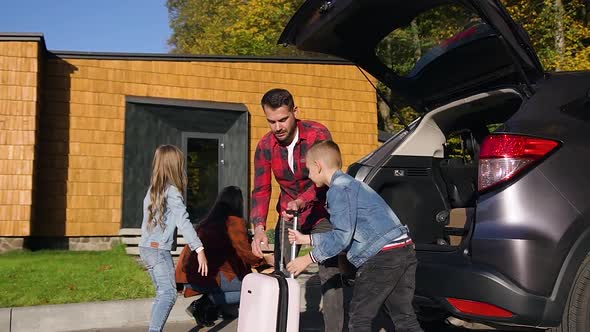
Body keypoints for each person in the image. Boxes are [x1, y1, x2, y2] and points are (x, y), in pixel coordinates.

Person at [287, 140, 423, 332]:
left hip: (382, 258)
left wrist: (308, 258)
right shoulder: (353, 185)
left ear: (318, 166)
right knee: (403, 316)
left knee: (359, 318)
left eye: (309, 170)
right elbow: (350, 231)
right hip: (403, 250)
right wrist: (307, 239)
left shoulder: (338, 190)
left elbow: (342, 236)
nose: (309, 176)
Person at [250, 88, 345, 331]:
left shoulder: (318, 134)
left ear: (295, 112)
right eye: (271, 121)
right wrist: (259, 227)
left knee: (329, 273)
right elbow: (261, 189)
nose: (277, 127)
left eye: (283, 119)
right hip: (289, 215)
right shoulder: (264, 146)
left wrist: (302, 200)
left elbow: (327, 178)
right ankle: (282, 326)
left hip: (322, 212)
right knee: (283, 274)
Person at [177, 186, 272, 326]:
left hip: (189, 276)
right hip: (209, 277)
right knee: (254, 288)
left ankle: (211, 307)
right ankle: (204, 303)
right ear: (238, 203)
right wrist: (267, 261)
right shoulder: (234, 222)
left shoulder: (208, 221)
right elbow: (245, 253)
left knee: (241, 282)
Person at [138, 145, 208, 332]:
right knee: (168, 294)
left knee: (162, 293)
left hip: (147, 248)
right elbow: (183, 221)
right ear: (174, 166)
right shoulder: (172, 192)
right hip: (158, 250)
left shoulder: (153, 190)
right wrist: (199, 249)